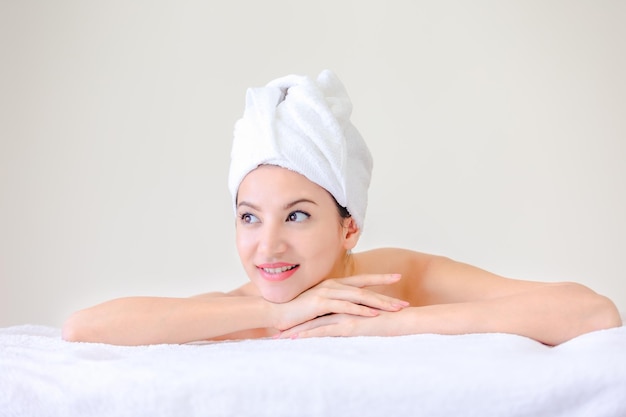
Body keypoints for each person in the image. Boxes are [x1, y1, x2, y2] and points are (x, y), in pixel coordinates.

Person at [62, 70, 622, 346]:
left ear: (349, 227)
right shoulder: (255, 302)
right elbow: (84, 327)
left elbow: (591, 314)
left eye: (298, 215)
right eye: (250, 217)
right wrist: (274, 314)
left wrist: (388, 327)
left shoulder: (408, 276)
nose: (268, 245)